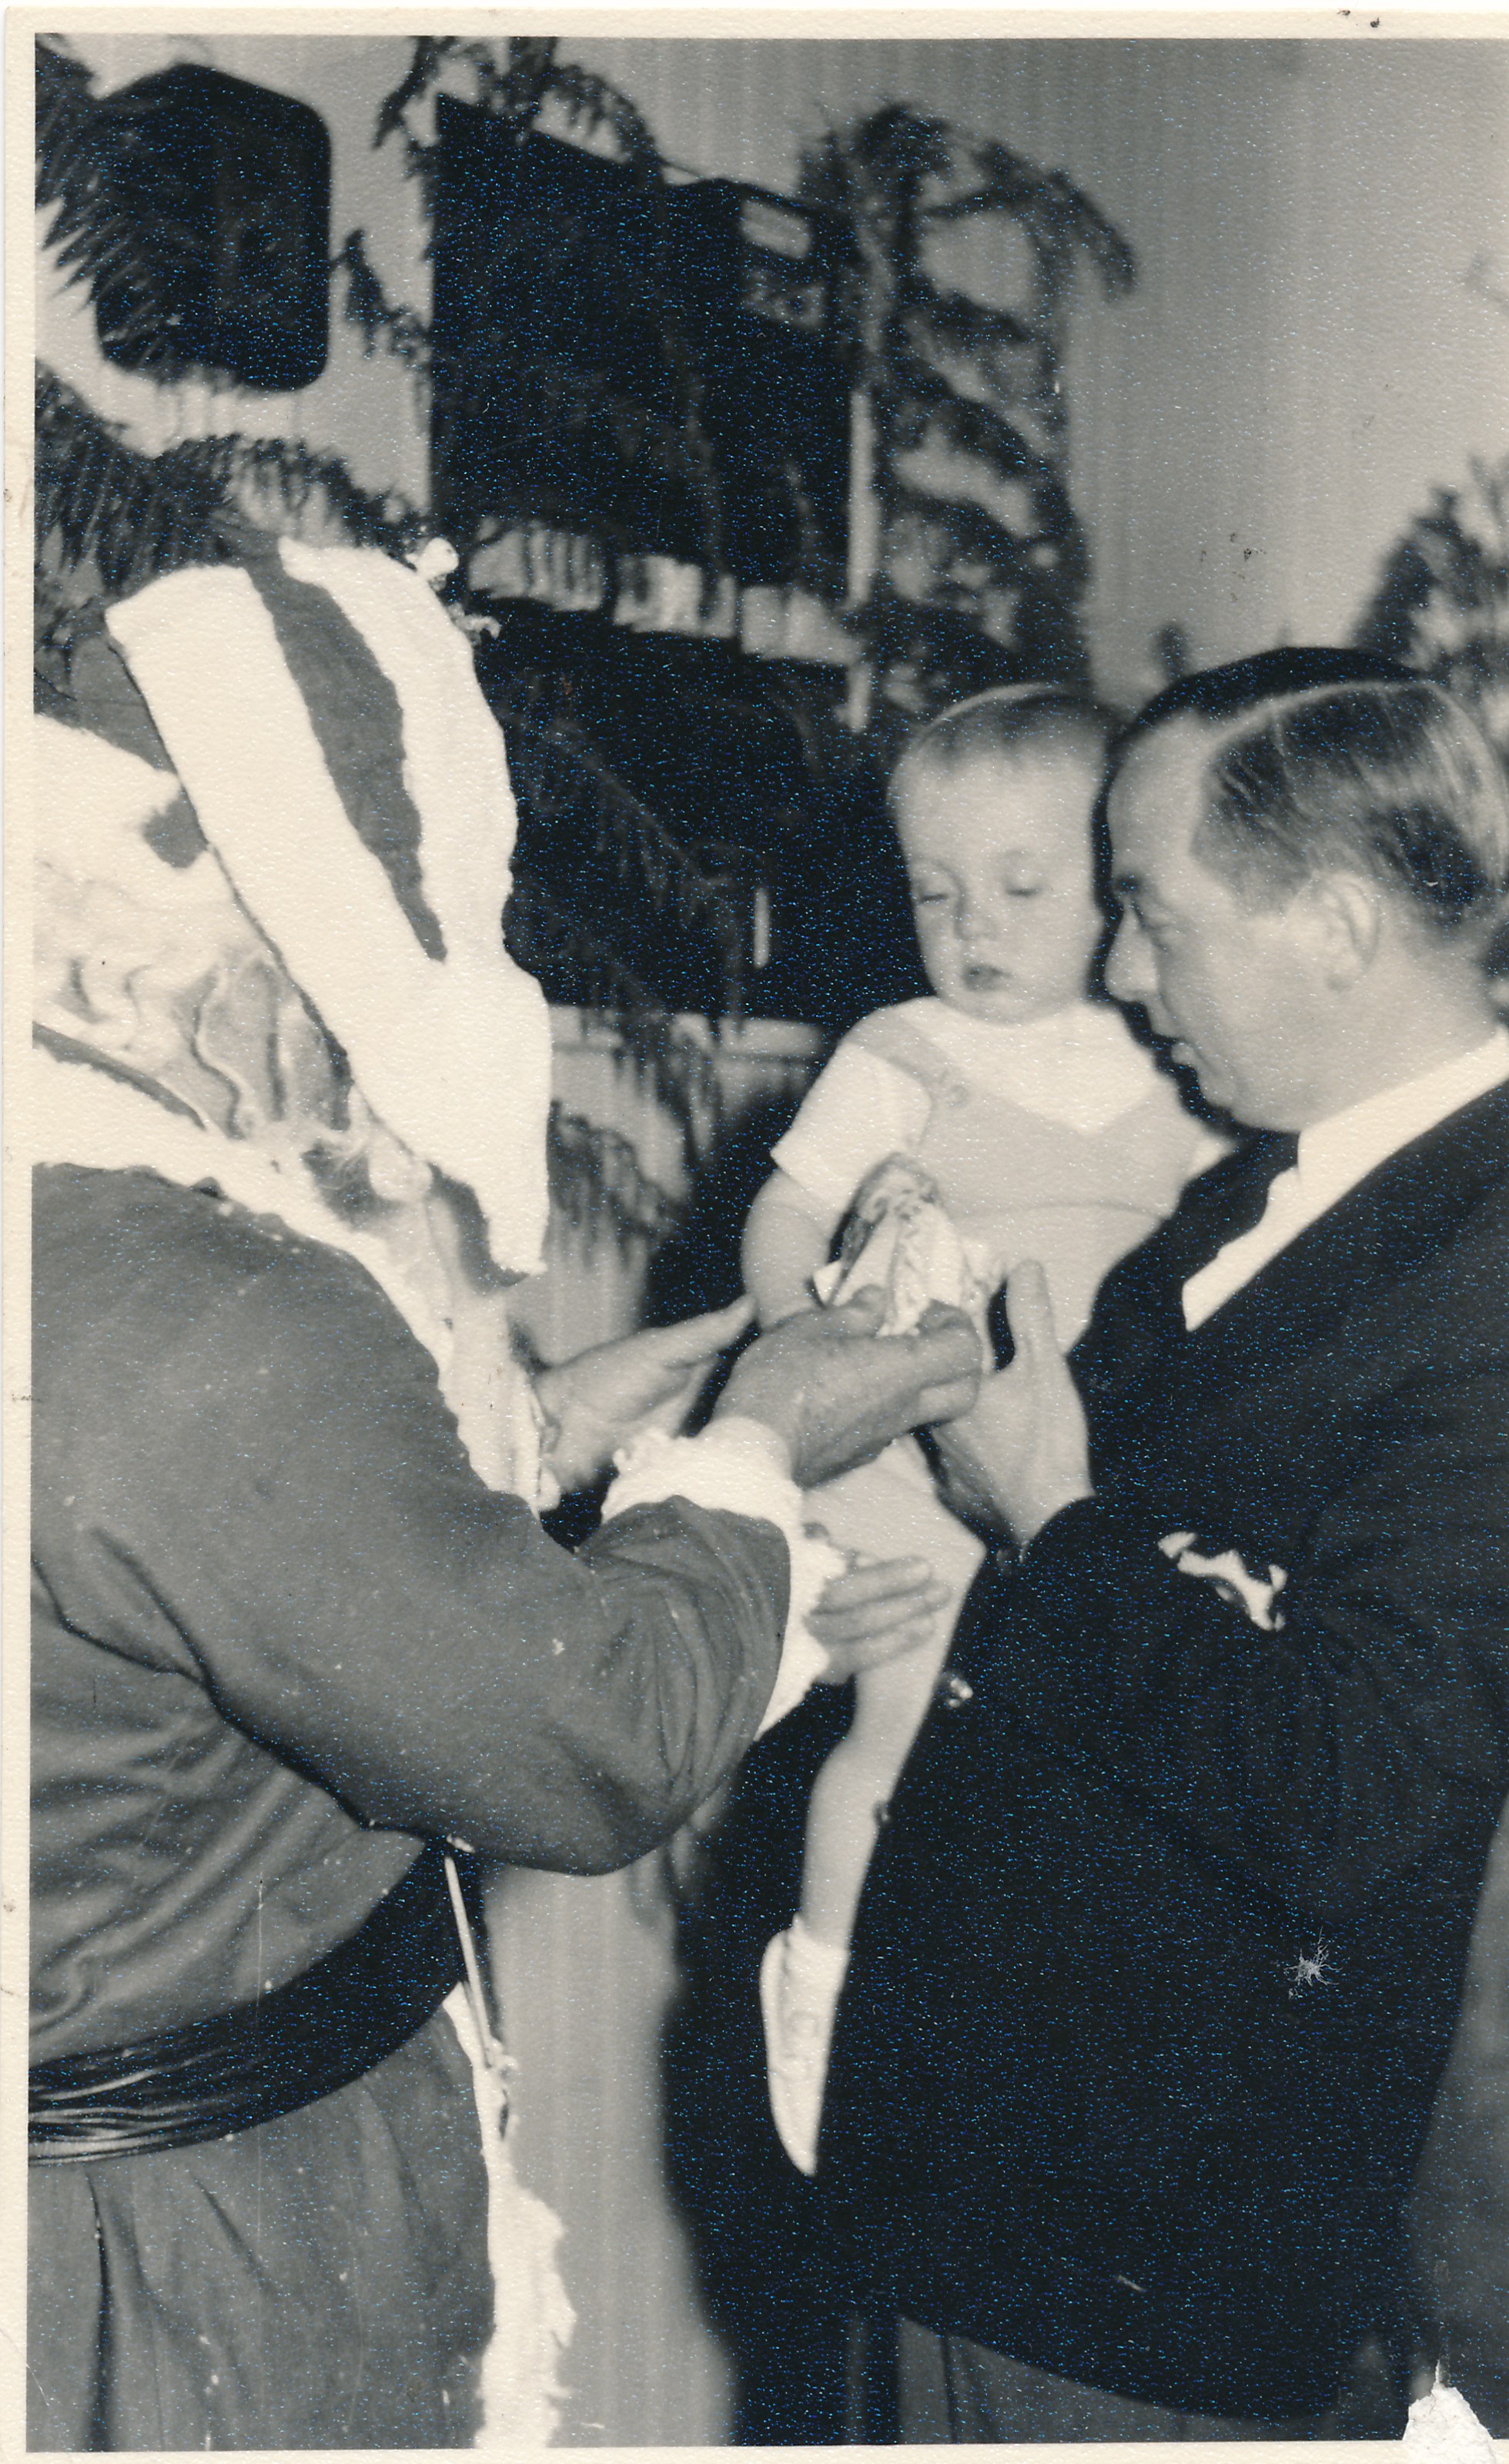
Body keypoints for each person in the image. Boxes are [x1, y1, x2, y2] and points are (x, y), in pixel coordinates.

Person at [25, 539, 982, 2453]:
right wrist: (766, 1432)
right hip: (184, 2269)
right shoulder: (211, 1307)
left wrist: (563, 1424)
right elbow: (584, 1740)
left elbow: (197, 1553)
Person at [762, 648, 1509, 2440]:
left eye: (1150, 913)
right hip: (986, 2175)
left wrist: (1048, 1519)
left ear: (1331, 922)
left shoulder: (1484, 1263)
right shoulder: (1253, 1192)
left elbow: (1343, 1784)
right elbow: (1064, 1524)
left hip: (1150, 2262)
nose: (1112, 970)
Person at [741, 688, 1218, 2171]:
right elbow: (787, 1217)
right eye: (936, 895)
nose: (975, 930)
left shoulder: (1171, 1063)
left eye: (1022, 891)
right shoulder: (903, 1051)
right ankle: (823, 1970)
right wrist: (804, 1351)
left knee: (1084, 1756)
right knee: (900, 1721)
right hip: (909, 1451)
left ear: (1115, 890)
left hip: (1096, 1468)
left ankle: (1022, 2024)